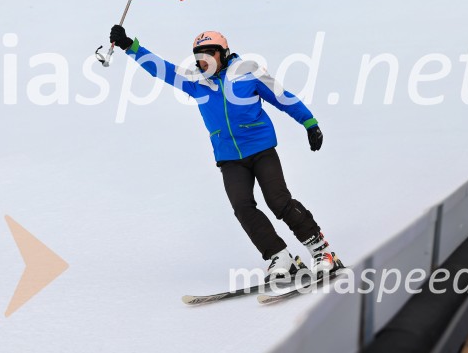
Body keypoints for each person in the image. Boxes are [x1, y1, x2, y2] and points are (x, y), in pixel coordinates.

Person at [109, 25, 342, 281]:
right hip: (229, 158)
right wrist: (129, 46)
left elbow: (282, 97)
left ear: (224, 52)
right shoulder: (196, 82)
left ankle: (321, 251)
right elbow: (161, 68)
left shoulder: (248, 71)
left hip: (261, 149)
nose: (203, 60)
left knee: (278, 201)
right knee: (242, 207)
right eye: (199, 55)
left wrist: (309, 123)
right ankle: (281, 258)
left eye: (210, 53)